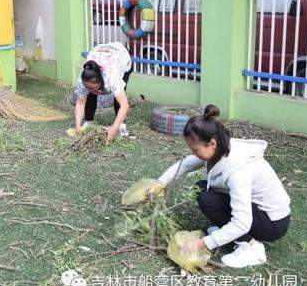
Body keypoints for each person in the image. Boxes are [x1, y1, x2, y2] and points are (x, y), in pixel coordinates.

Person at [149, 105, 291, 268]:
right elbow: (187, 163)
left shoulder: (238, 169)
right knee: (201, 188)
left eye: (196, 150)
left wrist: (202, 244)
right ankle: (231, 234)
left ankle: (252, 247)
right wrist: (160, 183)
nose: (194, 154)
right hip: (258, 211)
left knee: (207, 199)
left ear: (212, 143)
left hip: (272, 223)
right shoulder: (221, 147)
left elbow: (242, 222)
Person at [70, 42, 133, 143]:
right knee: (90, 94)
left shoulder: (112, 77)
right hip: (101, 53)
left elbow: (124, 105)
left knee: (119, 97)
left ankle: (121, 126)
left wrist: (114, 128)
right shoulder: (83, 79)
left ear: (101, 81)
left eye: (94, 87)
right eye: (88, 87)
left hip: (121, 56)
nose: (92, 90)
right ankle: (89, 122)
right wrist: (77, 127)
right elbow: (80, 103)